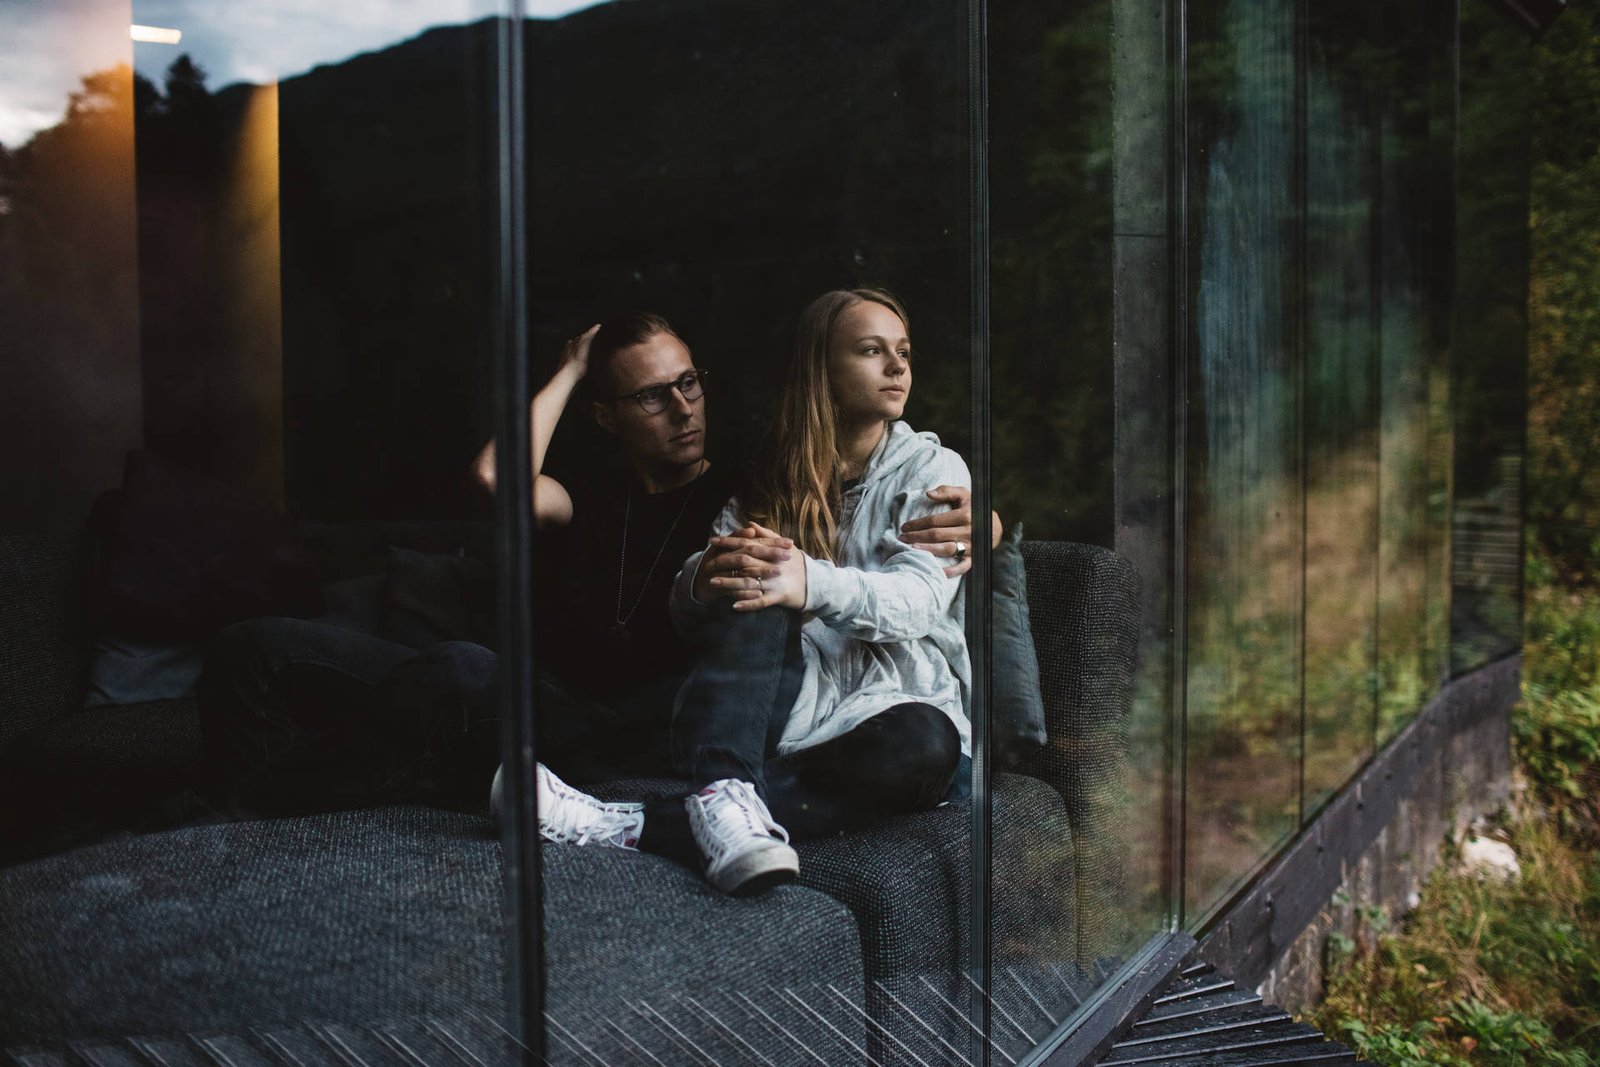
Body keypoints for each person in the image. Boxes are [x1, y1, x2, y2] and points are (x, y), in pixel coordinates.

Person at [200, 309, 984, 816]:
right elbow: (495, 479)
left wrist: (984, 521)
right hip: (547, 700)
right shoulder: (585, 496)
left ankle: (258, 810)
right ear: (607, 416)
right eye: (652, 396)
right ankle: (242, 833)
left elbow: (852, 501)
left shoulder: (744, 486)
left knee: (456, 668)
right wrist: (572, 370)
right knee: (256, 646)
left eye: (689, 384)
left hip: (637, 722)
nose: (683, 408)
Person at [531, 289, 983, 895]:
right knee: (754, 577)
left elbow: (919, 603)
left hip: (891, 721)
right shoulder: (770, 477)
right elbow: (700, 600)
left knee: (927, 740)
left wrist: (807, 580)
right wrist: (700, 579)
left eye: (903, 351)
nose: (897, 366)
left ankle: (633, 824)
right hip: (789, 720)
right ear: (820, 369)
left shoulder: (934, 471)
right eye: (872, 351)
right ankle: (726, 793)